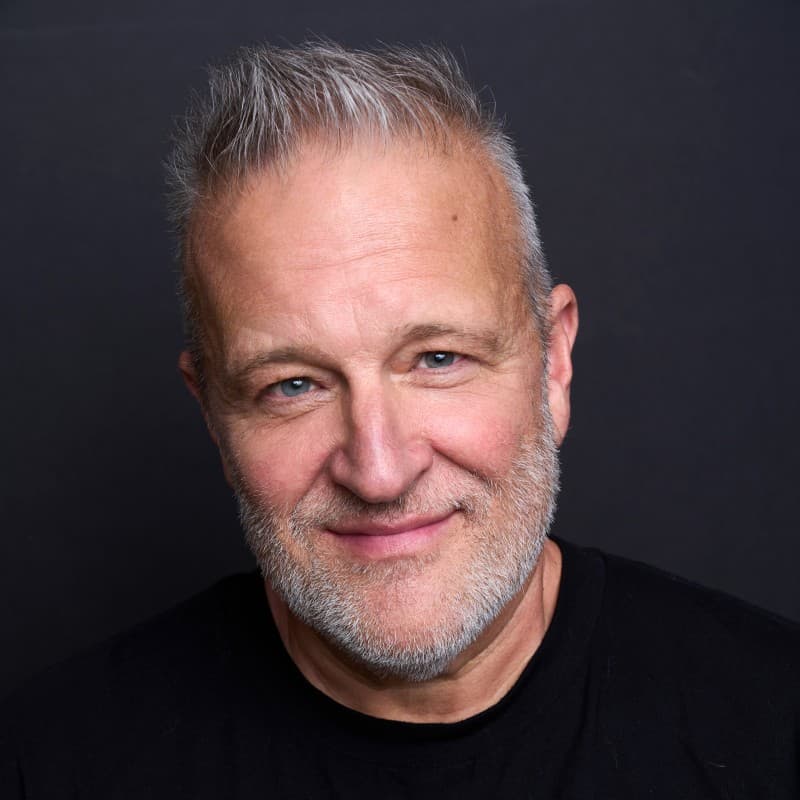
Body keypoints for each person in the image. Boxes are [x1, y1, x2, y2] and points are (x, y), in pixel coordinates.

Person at [1, 41, 797, 799]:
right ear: (211, 411)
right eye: (294, 384)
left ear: (552, 363)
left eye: (437, 359)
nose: (378, 472)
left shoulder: (772, 723)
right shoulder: (49, 766)